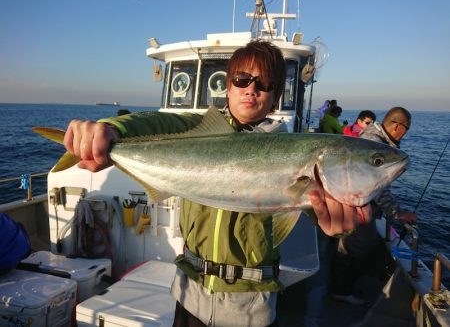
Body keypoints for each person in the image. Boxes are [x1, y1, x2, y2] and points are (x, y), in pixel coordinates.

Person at [63, 40, 371, 327]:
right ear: (228, 86)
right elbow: (152, 122)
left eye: (264, 84)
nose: (251, 89)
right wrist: (110, 130)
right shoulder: (198, 128)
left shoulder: (291, 145)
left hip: (249, 308)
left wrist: (330, 219)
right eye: (242, 79)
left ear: (276, 95)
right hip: (188, 294)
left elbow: (314, 215)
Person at [330, 106, 418, 305]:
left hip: (361, 207)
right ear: (397, 126)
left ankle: (345, 287)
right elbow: (375, 186)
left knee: (352, 247)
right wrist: (397, 212)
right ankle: (341, 290)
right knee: (350, 249)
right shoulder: (374, 144)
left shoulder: (373, 140)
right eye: (406, 128)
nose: (405, 132)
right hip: (357, 209)